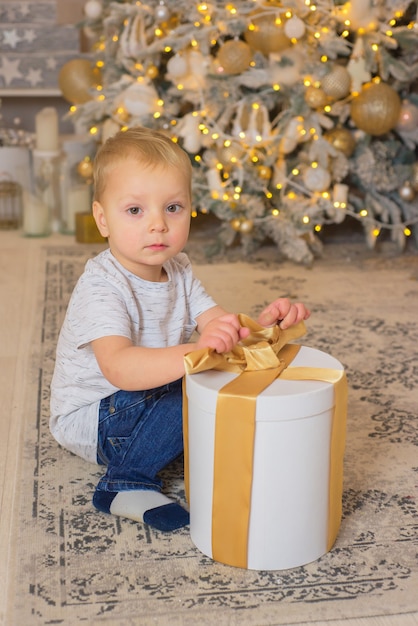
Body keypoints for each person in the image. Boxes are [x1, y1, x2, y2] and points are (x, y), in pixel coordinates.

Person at [50, 126, 310, 533]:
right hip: (95, 416)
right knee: (191, 386)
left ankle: (181, 440)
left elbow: (219, 329)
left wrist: (261, 328)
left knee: (214, 372)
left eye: (172, 208)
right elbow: (119, 367)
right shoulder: (102, 285)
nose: (158, 225)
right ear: (102, 219)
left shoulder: (179, 269)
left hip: (138, 397)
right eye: (135, 210)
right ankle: (124, 483)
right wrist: (192, 355)